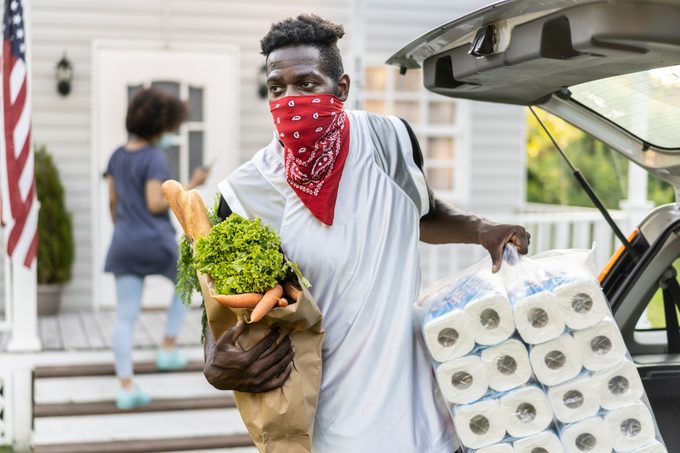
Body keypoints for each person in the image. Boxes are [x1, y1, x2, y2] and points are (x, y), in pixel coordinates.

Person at [203, 15, 530, 452]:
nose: (291, 100)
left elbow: (422, 213)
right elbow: (218, 301)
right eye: (277, 88)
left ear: (341, 88)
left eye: (307, 83)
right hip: (327, 419)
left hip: (419, 412)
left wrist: (482, 229)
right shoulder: (243, 194)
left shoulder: (387, 140)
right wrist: (213, 362)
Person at [105, 88, 210, 410]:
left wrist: (123, 228)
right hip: (155, 240)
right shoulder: (153, 157)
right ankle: (167, 348)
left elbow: (112, 201)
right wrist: (192, 184)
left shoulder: (117, 155)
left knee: (125, 315)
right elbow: (155, 202)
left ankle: (125, 386)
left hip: (123, 242)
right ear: (161, 123)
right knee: (187, 283)